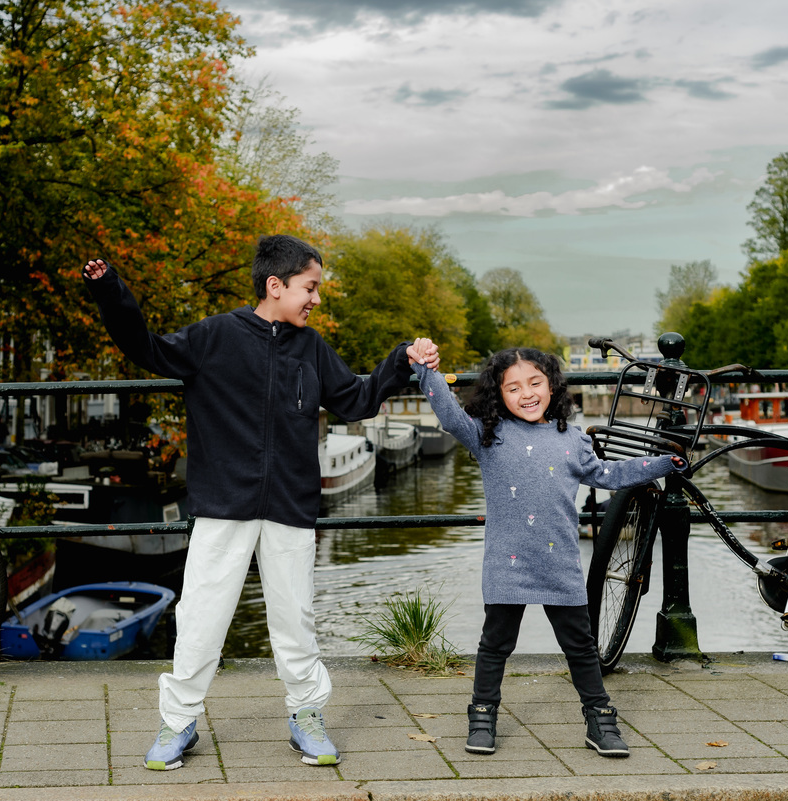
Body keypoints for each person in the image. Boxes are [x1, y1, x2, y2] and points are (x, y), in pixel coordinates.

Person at [82, 235, 440, 771]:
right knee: (202, 615)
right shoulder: (215, 336)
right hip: (224, 503)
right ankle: (179, 722)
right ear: (276, 285)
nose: (316, 299)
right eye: (310, 287)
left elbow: (358, 400)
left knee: (294, 618)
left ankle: (306, 715)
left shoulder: (312, 347)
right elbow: (146, 347)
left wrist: (402, 361)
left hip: (290, 505)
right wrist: (111, 290)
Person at [404, 345, 685, 758]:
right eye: (513, 387)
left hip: (559, 563)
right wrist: (426, 369)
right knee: (495, 643)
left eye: (535, 383)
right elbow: (448, 415)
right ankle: (483, 715)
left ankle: (599, 717)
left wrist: (663, 463)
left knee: (580, 645)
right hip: (507, 562)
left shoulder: (571, 439)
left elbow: (608, 475)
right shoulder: (486, 434)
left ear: (552, 386)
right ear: (499, 395)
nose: (527, 393)